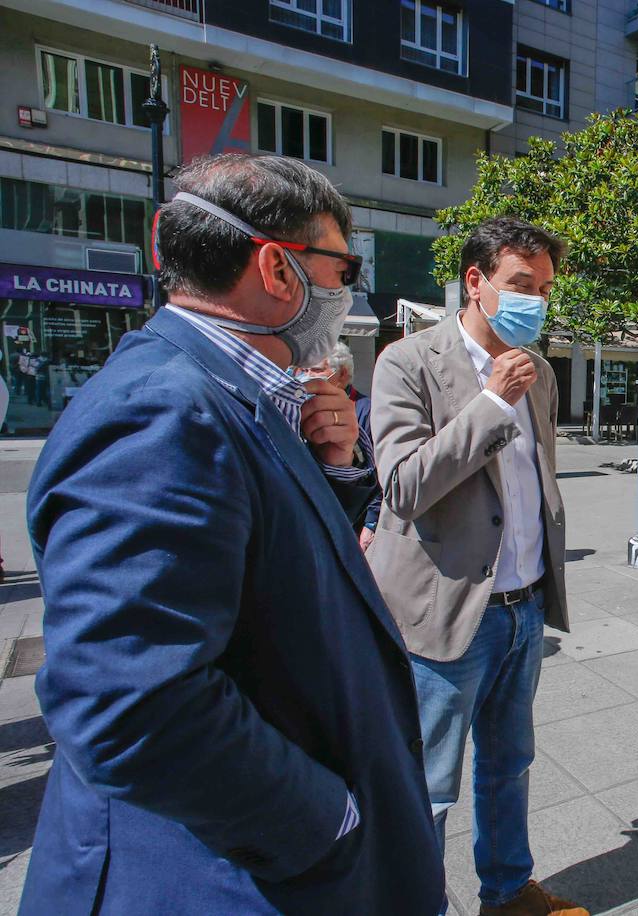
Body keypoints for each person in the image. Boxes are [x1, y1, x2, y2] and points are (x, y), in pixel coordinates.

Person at [20, 154, 445, 915]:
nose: (345, 292)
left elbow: (266, 567)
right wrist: (324, 820)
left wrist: (338, 471)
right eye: (341, 266)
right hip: (220, 877)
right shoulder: (163, 407)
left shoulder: (228, 388)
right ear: (279, 269)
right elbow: (128, 702)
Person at [367, 217, 580, 916]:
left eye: (546, 288)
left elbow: (534, 481)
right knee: (427, 782)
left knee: (509, 764)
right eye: (522, 285)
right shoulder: (408, 362)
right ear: (476, 282)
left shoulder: (540, 371)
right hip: (447, 610)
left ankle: (509, 892)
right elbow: (402, 485)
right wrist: (492, 402)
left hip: (522, 606)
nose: (537, 301)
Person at [297, 340, 382, 549]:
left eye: (316, 370)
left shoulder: (366, 411)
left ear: (342, 375)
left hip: (352, 521)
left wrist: (371, 522)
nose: (307, 376)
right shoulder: (299, 407)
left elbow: (378, 472)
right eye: (304, 369)